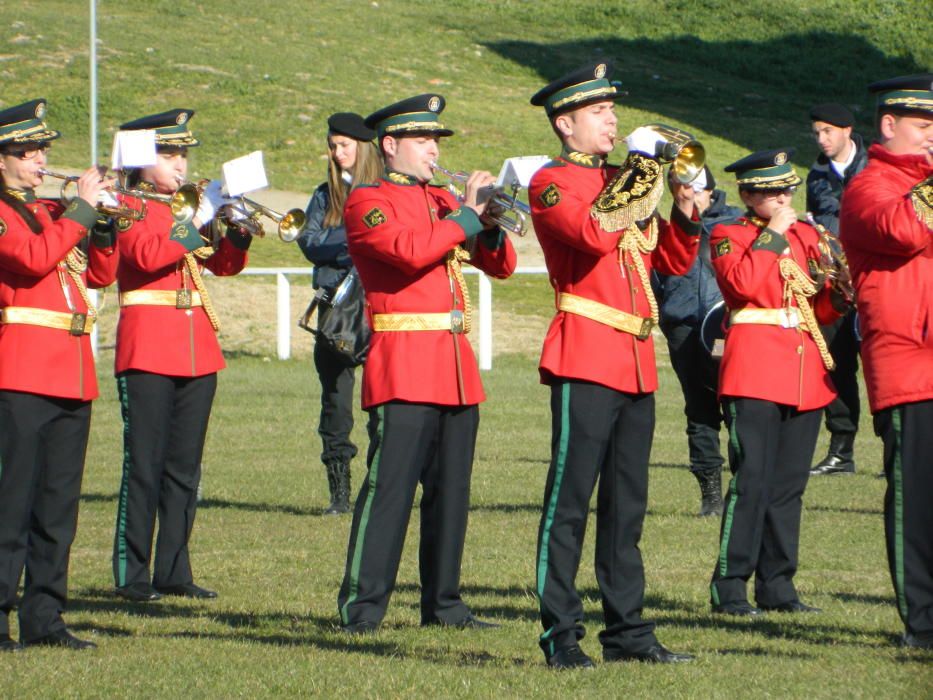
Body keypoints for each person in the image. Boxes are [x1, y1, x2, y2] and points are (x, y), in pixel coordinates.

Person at [528, 62, 700, 669]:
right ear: (565, 123)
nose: (612, 119)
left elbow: (667, 262)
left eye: (612, 110)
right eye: (598, 112)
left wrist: (682, 207)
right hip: (586, 352)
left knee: (627, 508)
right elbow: (596, 232)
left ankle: (628, 633)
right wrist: (643, 170)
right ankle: (560, 635)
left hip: (633, 359)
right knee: (568, 504)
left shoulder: (618, 182)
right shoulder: (553, 184)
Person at [337, 94, 516, 634]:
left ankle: (445, 603)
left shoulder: (442, 199)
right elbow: (410, 251)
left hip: (455, 366)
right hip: (405, 362)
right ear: (390, 146)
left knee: (452, 493)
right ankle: (362, 607)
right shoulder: (368, 200)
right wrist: (465, 214)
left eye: (436, 140)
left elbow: (501, 266)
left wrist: (489, 221)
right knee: (390, 489)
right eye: (423, 140)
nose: (434, 150)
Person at [110, 109, 251, 603]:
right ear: (141, 160)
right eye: (169, 155)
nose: (181, 165)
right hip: (147, 345)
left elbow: (224, 266)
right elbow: (147, 257)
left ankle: (174, 568)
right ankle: (132, 574)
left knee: (184, 469)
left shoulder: (182, 206)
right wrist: (196, 218)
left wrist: (236, 228)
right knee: (144, 465)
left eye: (183, 154)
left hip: (196, 349)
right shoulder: (125, 203)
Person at [0, 99, 118, 650]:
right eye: (28, 153)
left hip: (70, 372)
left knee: (57, 507)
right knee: (10, 503)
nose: (41, 161)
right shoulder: (6, 213)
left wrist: (106, 225)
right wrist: (81, 212)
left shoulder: (53, 212)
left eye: (43, 150)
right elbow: (30, 259)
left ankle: (45, 617)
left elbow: (98, 273)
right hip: (20, 369)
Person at [708, 148, 847, 617]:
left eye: (788, 188)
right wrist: (773, 234)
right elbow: (742, 286)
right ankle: (730, 586)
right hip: (754, 369)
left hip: (804, 369)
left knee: (788, 487)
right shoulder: (729, 233)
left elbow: (818, 308)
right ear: (748, 195)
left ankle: (778, 585)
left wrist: (841, 296)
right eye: (773, 191)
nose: (786, 197)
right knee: (752, 481)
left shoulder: (809, 235)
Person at [838, 74, 933, 650]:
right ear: (889, 126)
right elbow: (902, 230)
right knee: (917, 501)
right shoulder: (868, 186)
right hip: (909, 363)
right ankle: (922, 624)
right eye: (925, 127)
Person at [297, 112, 382, 515]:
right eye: (332, 146)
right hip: (334, 311)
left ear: (362, 148)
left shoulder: (383, 190)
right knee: (335, 404)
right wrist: (353, 238)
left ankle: (379, 487)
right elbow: (310, 243)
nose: (336, 152)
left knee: (382, 403)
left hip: (377, 310)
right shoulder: (323, 195)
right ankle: (339, 497)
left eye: (344, 145)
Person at [653, 165, 741, 516]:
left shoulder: (733, 225)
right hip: (683, 329)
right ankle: (711, 495)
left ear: (710, 191)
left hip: (725, 330)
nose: (691, 196)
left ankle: (744, 486)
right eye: (682, 189)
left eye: (697, 189)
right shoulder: (668, 229)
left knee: (736, 406)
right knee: (699, 410)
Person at [806, 103, 868, 475]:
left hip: (876, 283)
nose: (821, 139)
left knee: (882, 368)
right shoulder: (816, 176)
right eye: (816, 132)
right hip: (837, 287)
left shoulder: (877, 167)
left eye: (827, 131)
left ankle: (901, 448)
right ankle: (841, 451)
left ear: (847, 130)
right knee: (836, 364)